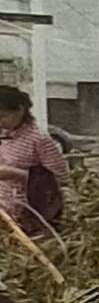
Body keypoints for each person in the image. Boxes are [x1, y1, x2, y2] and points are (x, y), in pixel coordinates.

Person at [0, 83, 63, 240]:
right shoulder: (4, 134)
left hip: (29, 213)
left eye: (3, 116)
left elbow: (59, 182)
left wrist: (16, 174)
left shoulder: (39, 140)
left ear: (21, 110)